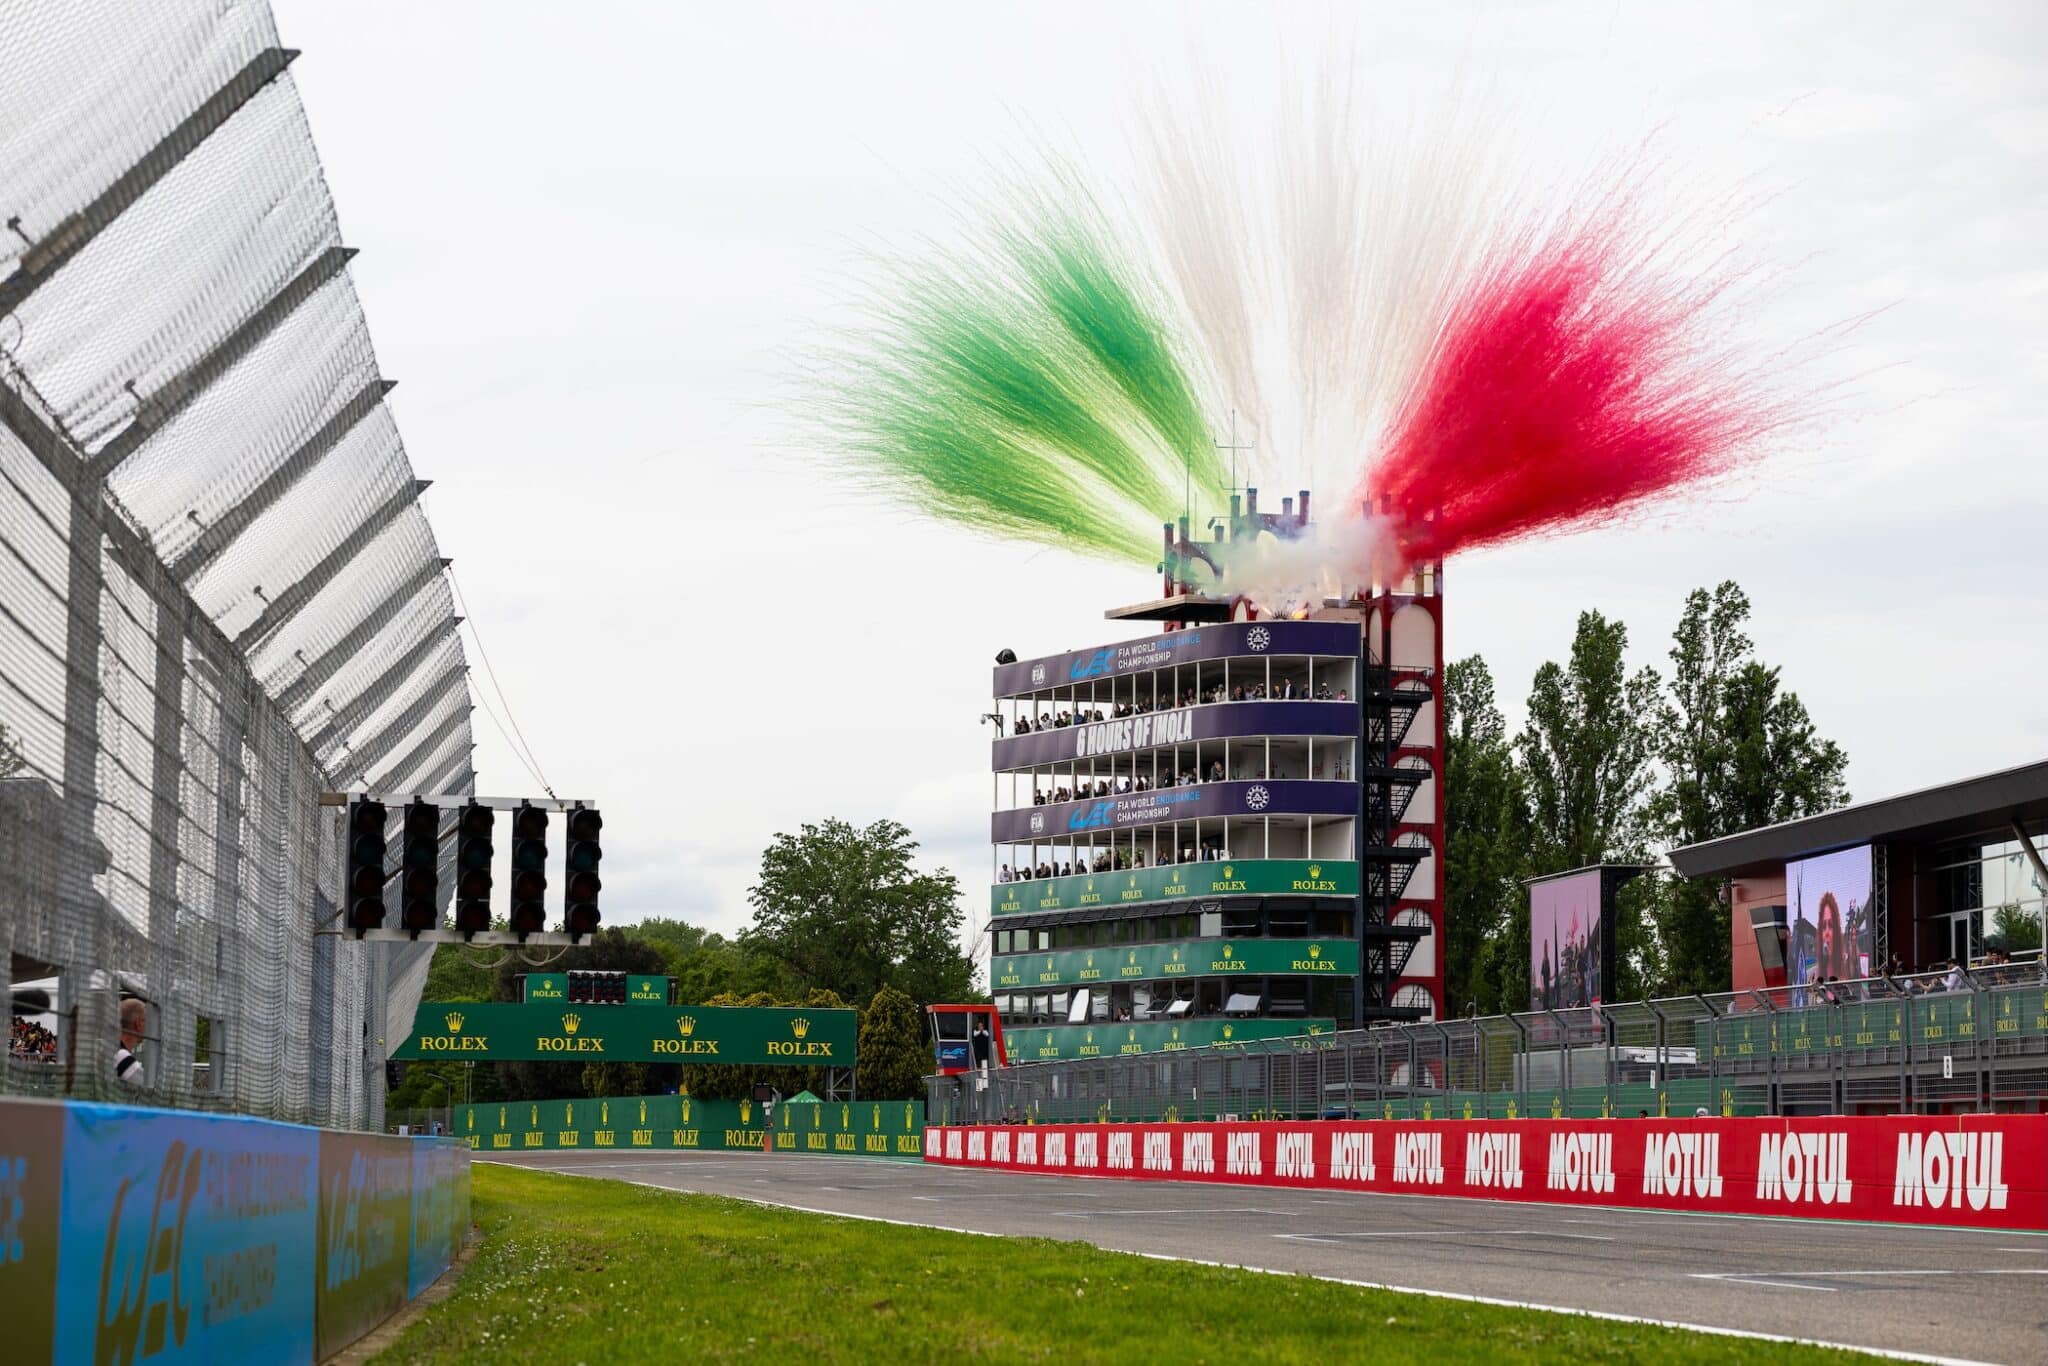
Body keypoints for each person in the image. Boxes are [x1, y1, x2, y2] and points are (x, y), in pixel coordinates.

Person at [114, 997, 147, 1088]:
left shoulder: (114, 1048)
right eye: (146, 1021)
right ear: (138, 1024)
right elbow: (145, 1085)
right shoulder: (121, 1054)